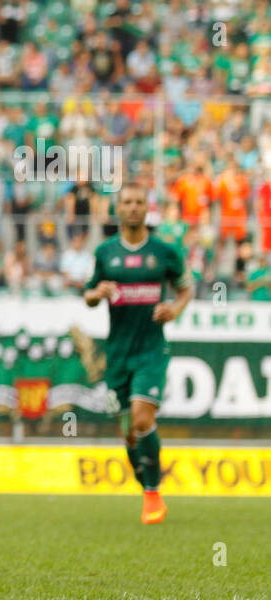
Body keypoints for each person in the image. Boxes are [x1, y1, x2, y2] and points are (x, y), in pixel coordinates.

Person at [83, 182, 193, 525]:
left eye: (138, 201)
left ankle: (152, 493)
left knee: (143, 419)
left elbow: (186, 287)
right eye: (126, 202)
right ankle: (147, 484)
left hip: (151, 350)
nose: (132, 207)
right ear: (118, 208)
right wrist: (97, 292)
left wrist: (175, 308)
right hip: (117, 354)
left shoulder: (164, 252)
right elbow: (88, 295)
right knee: (129, 433)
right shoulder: (105, 253)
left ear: (147, 207)